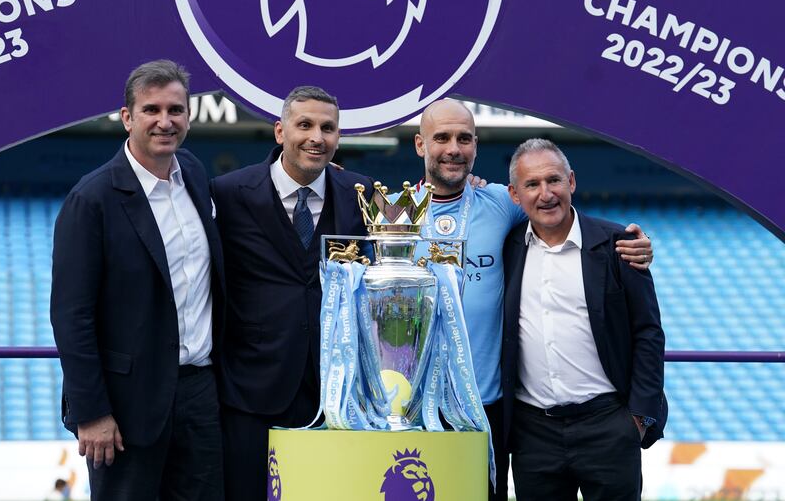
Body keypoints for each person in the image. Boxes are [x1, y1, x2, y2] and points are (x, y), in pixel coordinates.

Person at [411, 99, 654, 500]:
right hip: (419, 406)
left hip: (488, 408)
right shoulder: (389, 211)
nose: (453, 148)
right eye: (442, 138)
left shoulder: (502, 204)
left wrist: (633, 243)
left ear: (476, 145)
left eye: (464, 138)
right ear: (421, 145)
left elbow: (556, 211)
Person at [51, 60, 225, 500]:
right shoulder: (91, 199)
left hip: (199, 395)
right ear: (127, 117)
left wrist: (310, 167)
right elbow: (72, 316)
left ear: (189, 115)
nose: (165, 121)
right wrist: (92, 413)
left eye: (176, 110)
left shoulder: (195, 175)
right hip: (125, 408)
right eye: (151, 110)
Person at [211, 86, 372, 500]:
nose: (317, 137)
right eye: (305, 125)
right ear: (280, 131)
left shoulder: (362, 195)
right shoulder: (227, 194)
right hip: (249, 390)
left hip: (332, 392)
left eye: (328, 128)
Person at [502, 139, 666, 501]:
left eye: (554, 180)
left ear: (572, 181)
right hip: (533, 434)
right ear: (515, 194)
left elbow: (649, 333)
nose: (546, 193)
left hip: (608, 425)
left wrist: (637, 420)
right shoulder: (506, 246)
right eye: (532, 184)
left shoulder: (619, 244)